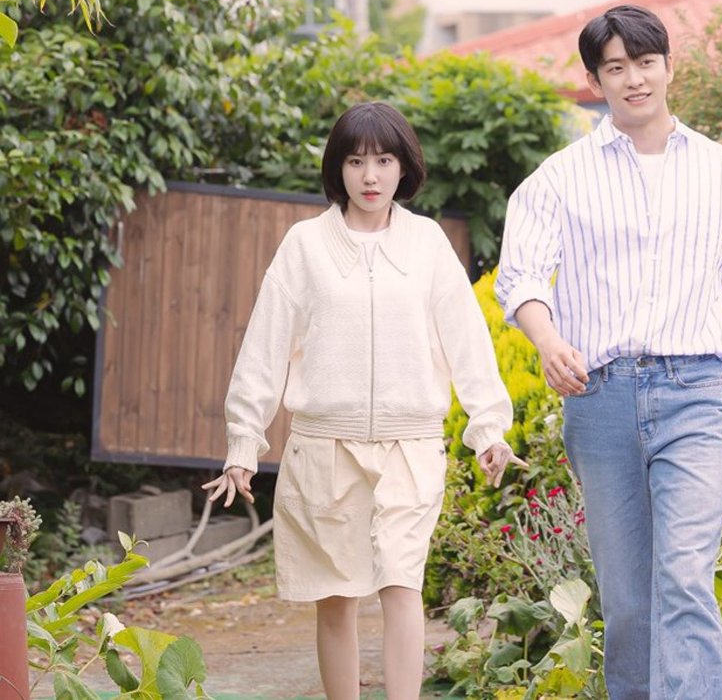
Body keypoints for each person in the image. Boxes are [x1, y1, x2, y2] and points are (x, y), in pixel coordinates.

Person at [495, 4, 722, 700]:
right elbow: (522, 276)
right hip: (600, 398)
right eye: (616, 67)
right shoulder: (558, 179)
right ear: (597, 80)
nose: (634, 78)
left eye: (645, 62)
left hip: (694, 392)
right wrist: (547, 340)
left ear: (668, 65)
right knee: (629, 598)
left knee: (684, 576)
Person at [204, 101, 524, 700]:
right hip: (325, 448)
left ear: (405, 167)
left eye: (383, 160)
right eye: (356, 161)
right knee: (337, 598)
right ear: (338, 169)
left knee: (403, 586)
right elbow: (265, 346)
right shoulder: (304, 246)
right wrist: (243, 444)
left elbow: (467, 341)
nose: (370, 176)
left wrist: (489, 429)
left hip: (411, 445)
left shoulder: (427, 243)